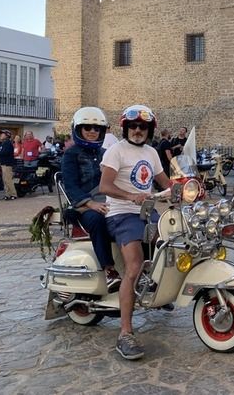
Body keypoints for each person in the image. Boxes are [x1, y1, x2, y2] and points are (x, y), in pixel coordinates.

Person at [99, 105, 172, 360]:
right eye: (133, 126)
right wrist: (131, 196)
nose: (137, 130)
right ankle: (125, 333)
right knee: (134, 266)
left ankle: (159, 291)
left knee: (173, 242)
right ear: (126, 128)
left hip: (147, 212)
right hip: (121, 214)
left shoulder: (151, 152)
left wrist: (187, 187)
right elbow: (104, 185)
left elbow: (165, 182)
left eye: (143, 127)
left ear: (149, 130)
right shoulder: (116, 151)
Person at [62, 107, 120, 291]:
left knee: (137, 218)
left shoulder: (106, 153)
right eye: (87, 127)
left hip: (108, 202)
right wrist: (90, 203)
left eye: (97, 128)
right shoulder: (71, 155)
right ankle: (109, 270)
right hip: (83, 207)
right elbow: (71, 185)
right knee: (97, 220)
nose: (92, 131)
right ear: (78, 129)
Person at [0, 130, 17, 200]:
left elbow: (4, 153)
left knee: (8, 180)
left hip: (7, 164)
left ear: (7, 136)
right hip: (4, 163)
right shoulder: (4, 143)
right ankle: (7, 194)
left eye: (2, 134)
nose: (1, 135)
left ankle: (13, 194)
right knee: (5, 180)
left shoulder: (7, 143)